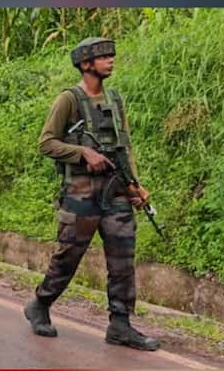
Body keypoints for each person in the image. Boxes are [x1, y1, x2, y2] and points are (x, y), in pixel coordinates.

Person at [23, 37, 160, 351]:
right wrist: (83, 152)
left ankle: (120, 325)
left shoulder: (114, 99)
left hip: (116, 193)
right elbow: (46, 143)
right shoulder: (68, 100)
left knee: (122, 260)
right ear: (86, 64)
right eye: (104, 57)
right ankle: (40, 305)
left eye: (112, 56)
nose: (111, 60)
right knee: (68, 257)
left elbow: (125, 147)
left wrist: (135, 186)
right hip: (81, 193)